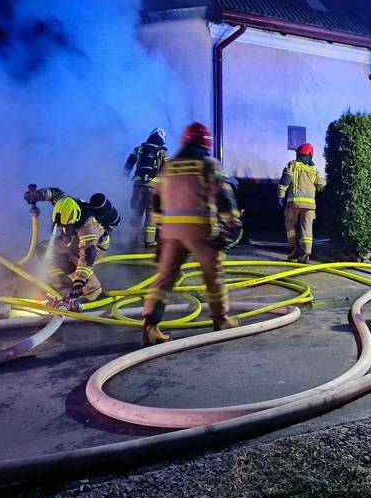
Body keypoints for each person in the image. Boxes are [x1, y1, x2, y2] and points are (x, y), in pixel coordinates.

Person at [141, 122, 242, 346]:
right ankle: (220, 320)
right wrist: (232, 225)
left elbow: (156, 202)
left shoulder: (168, 166)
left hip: (170, 232)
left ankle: (150, 326)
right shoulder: (208, 164)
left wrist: (161, 231)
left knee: (165, 277)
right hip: (200, 230)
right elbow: (224, 198)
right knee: (212, 274)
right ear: (207, 143)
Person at [24, 186, 120, 302]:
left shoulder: (88, 227)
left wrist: (79, 281)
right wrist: (38, 195)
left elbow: (87, 257)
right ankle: (60, 281)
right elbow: (54, 193)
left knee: (74, 258)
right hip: (76, 239)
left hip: (96, 247)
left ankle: (93, 292)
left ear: (75, 218)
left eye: (66, 227)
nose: (64, 229)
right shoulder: (66, 203)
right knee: (42, 249)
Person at [277, 142, 326, 263]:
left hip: (294, 203)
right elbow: (322, 184)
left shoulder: (293, 165)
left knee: (290, 225)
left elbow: (285, 180)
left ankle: (293, 249)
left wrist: (280, 195)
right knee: (307, 228)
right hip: (309, 206)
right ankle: (305, 253)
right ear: (311, 154)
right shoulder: (314, 170)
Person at [124, 128, 168, 247]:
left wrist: (124, 176)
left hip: (138, 186)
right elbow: (167, 170)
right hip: (154, 187)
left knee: (136, 212)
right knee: (151, 214)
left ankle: (132, 240)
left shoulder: (139, 149)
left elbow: (128, 164)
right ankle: (149, 241)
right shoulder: (163, 152)